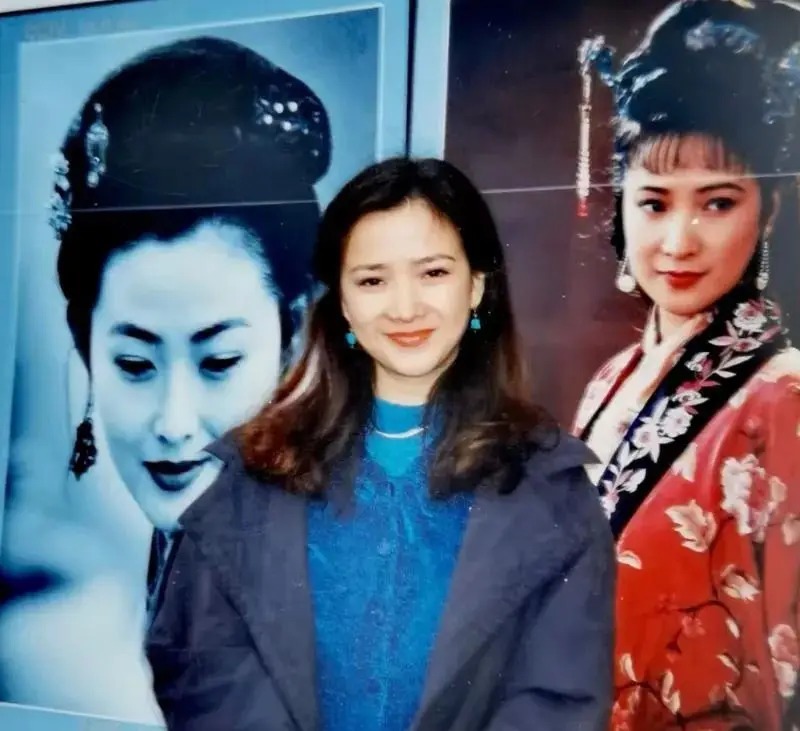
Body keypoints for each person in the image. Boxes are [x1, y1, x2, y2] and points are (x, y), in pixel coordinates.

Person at [145, 157, 616, 731]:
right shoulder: (257, 471)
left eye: (433, 273)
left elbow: (560, 698)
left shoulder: (549, 486)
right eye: (372, 280)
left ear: (476, 285)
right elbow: (202, 670)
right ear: (342, 301)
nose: (404, 307)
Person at [0, 36, 329, 721]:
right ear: (86, 347)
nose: (174, 422)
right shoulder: (53, 646)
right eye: (134, 364)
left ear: (293, 333)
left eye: (219, 362)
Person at [573, 1, 800, 729]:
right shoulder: (608, 382)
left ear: (768, 210)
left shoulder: (785, 396)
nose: (678, 241)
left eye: (718, 202)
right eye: (654, 203)